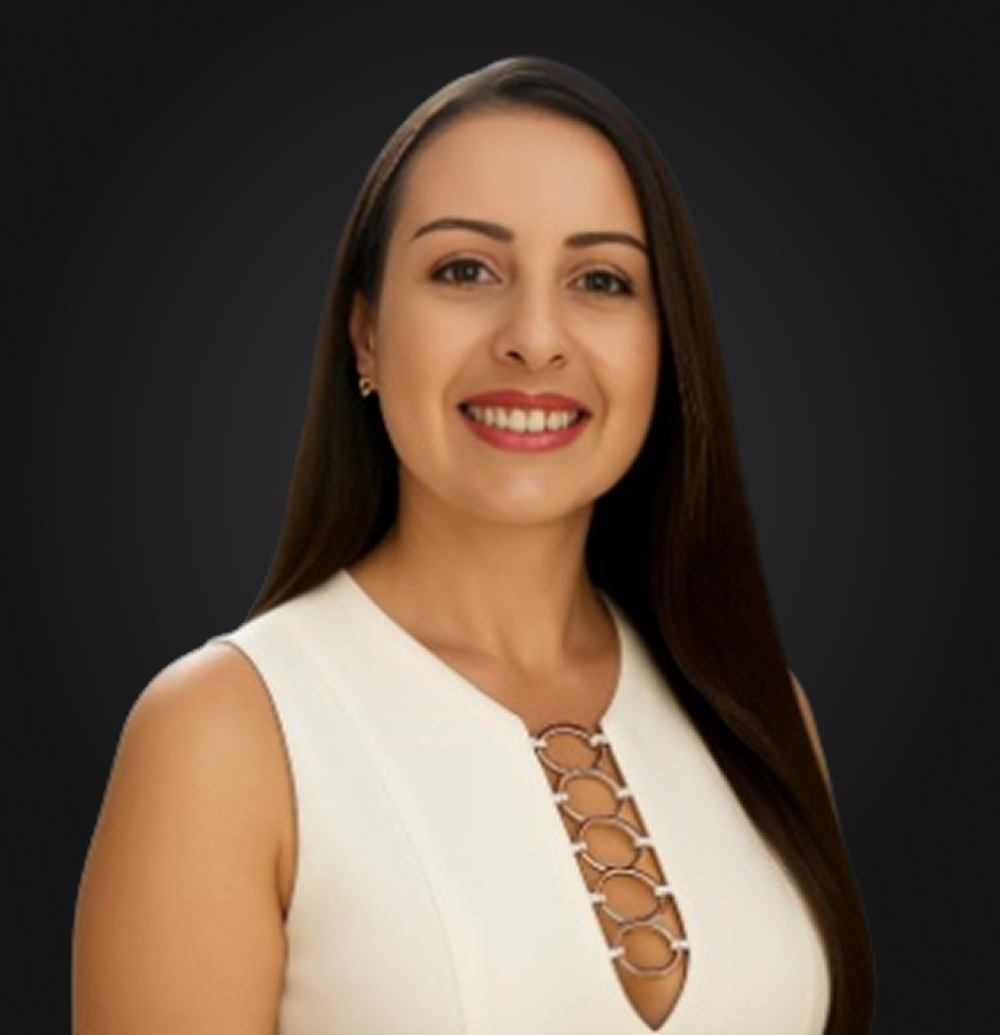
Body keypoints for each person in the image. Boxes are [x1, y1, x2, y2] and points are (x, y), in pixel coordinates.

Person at [72, 56, 876, 1034]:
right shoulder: (226, 733)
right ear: (365, 335)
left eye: (601, 279)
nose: (534, 337)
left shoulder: (755, 706)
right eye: (465, 270)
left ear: (664, 350)